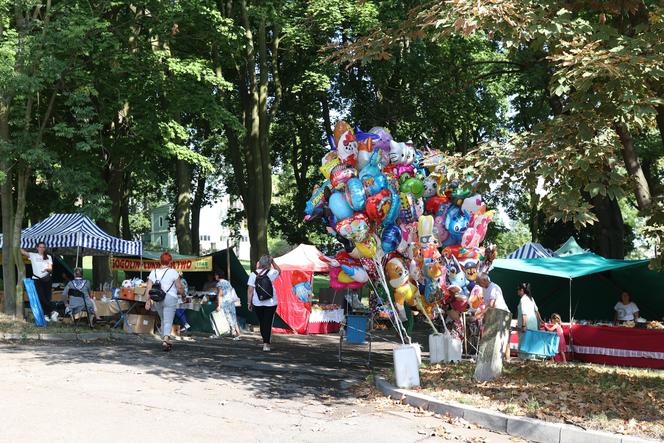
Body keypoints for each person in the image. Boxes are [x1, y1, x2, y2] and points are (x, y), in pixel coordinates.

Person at [145, 252, 185, 351]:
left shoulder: (153, 272)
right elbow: (179, 287)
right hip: (170, 298)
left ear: (160, 261)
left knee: (163, 319)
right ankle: (166, 339)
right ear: (170, 262)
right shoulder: (173, 272)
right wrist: (183, 295)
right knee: (168, 320)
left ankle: (165, 339)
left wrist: (147, 301)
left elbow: (148, 288)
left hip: (157, 298)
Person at [247, 255, 281, 351]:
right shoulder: (272, 272)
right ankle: (266, 343)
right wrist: (273, 262)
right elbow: (279, 271)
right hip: (271, 302)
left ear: (260, 263)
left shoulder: (253, 274)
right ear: (269, 264)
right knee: (268, 322)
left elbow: (250, 290)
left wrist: (249, 303)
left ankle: (265, 339)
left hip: (257, 302)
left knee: (262, 322)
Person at [476, 273, 512, 360]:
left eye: (479, 282)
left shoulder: (494, 287)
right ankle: (495, 358)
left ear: (484, 280)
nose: (478, 284)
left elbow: (491, 304)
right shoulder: (484, 289)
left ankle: (507, 359)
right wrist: (484, 317)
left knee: (504, 338)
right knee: (493, 337)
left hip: (502, 313)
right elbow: (486, 304)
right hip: (494, 314)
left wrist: (480, 314)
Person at [21, 242, 58, 322]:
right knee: (40, 297)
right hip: (37, 279)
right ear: (37, 248)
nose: (42, 249)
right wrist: (16, 243)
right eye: (40, 247)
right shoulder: (33, 255)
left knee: (47, 298)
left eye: (43, 247)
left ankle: (46, 315)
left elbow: (50, 269)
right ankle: (53, 311)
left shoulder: (48, 257)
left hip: (47, 279)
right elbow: (23, 252)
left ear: (45, 248)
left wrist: (46, 269)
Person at [516, 282, 542, 359]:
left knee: (524, 342)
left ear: (522, 290)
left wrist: (523, 325)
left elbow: (524, 314)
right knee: (531, 342)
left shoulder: (523, 299)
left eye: (518, 290)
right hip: (533, 324)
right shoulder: (531, 298)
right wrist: (540, 321)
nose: (517, 291)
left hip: (526, 325)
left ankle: (524, 359)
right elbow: (536, 311)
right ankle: (531, 358)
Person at [215, 269, 241, 340]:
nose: (215, 276)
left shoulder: (219, 284)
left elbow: (220, 295)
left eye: (215, 275)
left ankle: (234, 333)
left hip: (224, 302)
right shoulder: (227, 282)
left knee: (228, 318)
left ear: (218, 276)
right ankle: (238, 334)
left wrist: (219, 305)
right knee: (233, 317)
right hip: (231, 301)